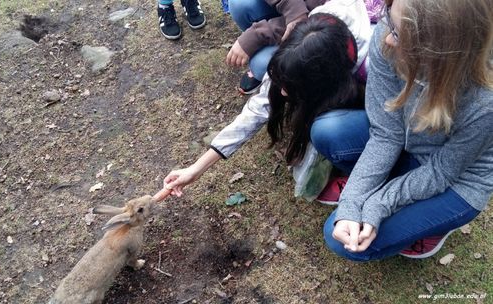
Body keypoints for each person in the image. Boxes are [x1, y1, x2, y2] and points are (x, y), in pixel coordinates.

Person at [317, 0, 493, 261]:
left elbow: (441, 172)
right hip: (407, 140)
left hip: (456, 179)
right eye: (391, 21)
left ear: (439, 52)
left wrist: (380, 203)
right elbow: (386, 133)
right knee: (327, 132)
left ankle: (434, 225)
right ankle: (373, 184)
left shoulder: (484, 101)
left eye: (400, 34)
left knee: (339, 239)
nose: (387, 38)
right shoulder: (390, 34)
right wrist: (353, 201)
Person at [164, 1, 372, 202]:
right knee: (262, 62)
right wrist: (196, 169)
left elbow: (393, 133)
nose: (281, 93)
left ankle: (357, 173)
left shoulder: (373, 61)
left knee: (327, 130)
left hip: (383, 113)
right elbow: (258, 108)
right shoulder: (310, 33)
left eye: (290, 87)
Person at [226, 0, 382, 94]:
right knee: (241, 4)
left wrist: (259, 34)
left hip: (327, 28)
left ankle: (297, 86)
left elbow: (315, 25)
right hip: (309, 16)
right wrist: (294, 12)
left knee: (262, 64)